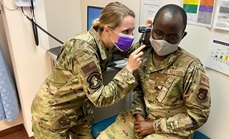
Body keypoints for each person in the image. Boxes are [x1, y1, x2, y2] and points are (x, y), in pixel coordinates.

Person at [31, 2, 146, 139]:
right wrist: (128, 70)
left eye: (132, 31)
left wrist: (150, 33)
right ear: (107, 29)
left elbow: (134, 50)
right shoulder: (83, 49)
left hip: (79, 110)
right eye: (126, 31)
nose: (131, 36)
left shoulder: (109, 41)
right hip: (53, 113)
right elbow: (100, 98)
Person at [97, 4, 211, 139]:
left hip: (172, 129)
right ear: (151, 30)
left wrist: (154, 126)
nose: (164, 41)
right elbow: (139, 91)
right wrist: (139, 116)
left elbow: (198, 116)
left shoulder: (192, 67)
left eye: (172, 37)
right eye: (159, 33)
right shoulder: (144, 55)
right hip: (142, 119)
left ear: (182, 36)